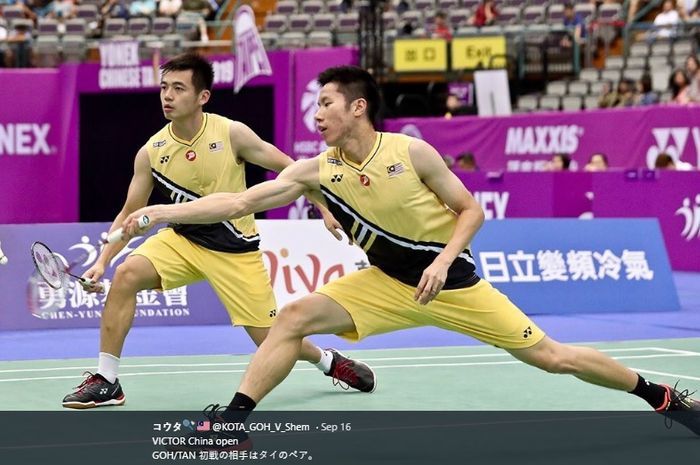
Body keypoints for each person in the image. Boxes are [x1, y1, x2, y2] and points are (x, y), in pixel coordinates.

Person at [121, 66, 700, 439]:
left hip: (454, 287)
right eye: (314, 106)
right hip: (384, 286)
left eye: (325, 104)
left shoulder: (412, 153)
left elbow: (470, 210)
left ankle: (660, 395)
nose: (315, 114)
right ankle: (234, 421)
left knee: (551, 357)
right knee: (294, 317)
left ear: (357, 108)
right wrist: (163, 212)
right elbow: (239, 200)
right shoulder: (316, 169)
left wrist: (444, 259)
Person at [61, 55, 375, 409]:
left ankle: (329, 361)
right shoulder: (152, 152)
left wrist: (324, 208)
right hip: (183, 240)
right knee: (128, 274)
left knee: (270, 339)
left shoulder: (231, 133)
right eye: (164, 87)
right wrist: (103, 262)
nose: (168, 96)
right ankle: (107, 380)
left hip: (234, 249)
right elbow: (130, 213)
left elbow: (293, 169)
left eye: (179, 89)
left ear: (202, 97)